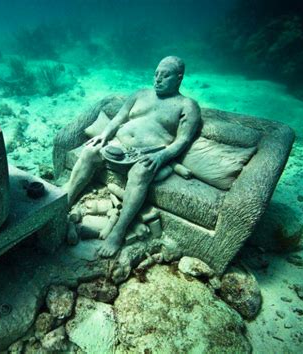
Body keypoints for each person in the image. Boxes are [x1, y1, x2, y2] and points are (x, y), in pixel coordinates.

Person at [63, 56, 201, 257]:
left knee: (139, 173)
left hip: (150, 154)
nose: (158, 79)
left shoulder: (187, 105)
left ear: (179, 78)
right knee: (89, 151)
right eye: (156, 74)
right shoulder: (140, 94)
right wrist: (103, 136)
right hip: (118, 146)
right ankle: (64, 204)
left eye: (165, 76)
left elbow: (183, 140)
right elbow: (118, 119)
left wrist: (162, 156)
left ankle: (117, 233)